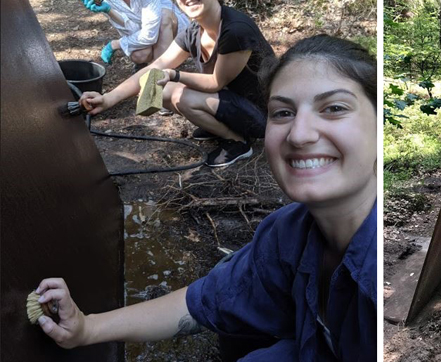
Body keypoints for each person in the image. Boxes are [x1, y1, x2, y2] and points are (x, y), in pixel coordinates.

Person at [34, 35, 378, 361]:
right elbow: (206, 300)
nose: (300, 135)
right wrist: (86, 327)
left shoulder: (378, 270)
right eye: (283, 113)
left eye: (333, 108)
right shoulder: (289, 231)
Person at [79, 0, 276, 167]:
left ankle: (237, 141)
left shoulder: (235, 30)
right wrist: (107, 98)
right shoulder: (194, 31)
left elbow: (215, 83)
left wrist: (174, 75)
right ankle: (219, 126)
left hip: (264, 117)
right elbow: (157, 65)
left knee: (178, 93)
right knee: (159, 88)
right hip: (233, 101)